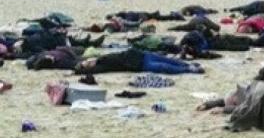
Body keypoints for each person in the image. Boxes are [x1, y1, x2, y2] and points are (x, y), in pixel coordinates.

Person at [75, 48, 203, 75]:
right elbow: (85, 71)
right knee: (164, 67)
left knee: (167, 60)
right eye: (87, 64)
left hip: (141, 54)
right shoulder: (102, 66)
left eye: (88, 61)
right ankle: (188, 70)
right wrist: (78, 70)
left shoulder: (100, 57)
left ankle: (188, 65)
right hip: (139, 65)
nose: (90, 61)